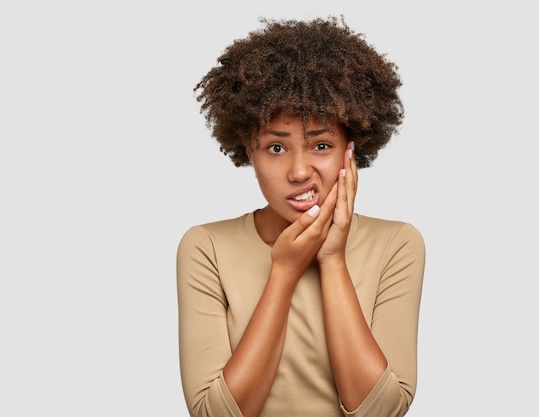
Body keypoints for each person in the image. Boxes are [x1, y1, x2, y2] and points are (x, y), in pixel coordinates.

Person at [177, 16, 425, 417]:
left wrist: (332, 260)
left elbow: (382, 411)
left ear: (351, 149)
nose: (298, 170)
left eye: (321, 145)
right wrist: (284, 272)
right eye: (276, 148)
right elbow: (215, 414)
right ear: (249, 151)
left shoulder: (397, 244)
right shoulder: (206, 247)